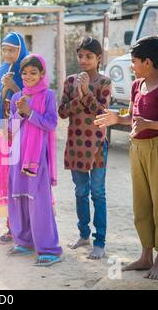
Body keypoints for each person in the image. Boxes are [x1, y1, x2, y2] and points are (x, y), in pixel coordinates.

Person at [94, 36, 158, 280]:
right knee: (141, 205)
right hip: (137, 149)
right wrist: (117, 119)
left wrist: (150, 123)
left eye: (134, 61)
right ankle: (145, 255)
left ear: (148, 62)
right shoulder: (137, 86)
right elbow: (134, 119)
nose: (131, 66)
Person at [58, 37, 112, 260]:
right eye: (80, 56)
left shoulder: (104, 82)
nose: (83, 60)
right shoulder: (70, 81)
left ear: (98, 58)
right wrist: (78, 97)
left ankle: (100, 242)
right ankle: (84, 235)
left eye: (89, 56)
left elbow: (102, 113)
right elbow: (62, 112)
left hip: (97, 145)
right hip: (76, 144)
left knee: (98, 193)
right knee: (81, 192)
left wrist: (86, 92)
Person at [6, 55, 62, 267]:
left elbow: (51, 124)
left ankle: (49, 249)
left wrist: (29, 112)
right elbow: (11, 128)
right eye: (25, 73)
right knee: (19, 196)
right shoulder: (17, 97)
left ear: (42, 74)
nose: (28, 76)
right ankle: (24, 241)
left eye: (33, 72)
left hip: (36, 157)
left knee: (39, 201)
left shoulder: (48, 95)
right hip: (17, 155)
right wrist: (19, 113)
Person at [0, 32, 28, 244]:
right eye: (5, 49)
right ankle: (11, 227)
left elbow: (31, 101)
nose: (8, 53)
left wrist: (14, 88)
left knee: (21, 180)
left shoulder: (28, 71)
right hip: (3, 132)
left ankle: (25, 227)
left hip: (22, 132)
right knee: (8, 181)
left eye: (13, 49)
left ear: (21, 50)